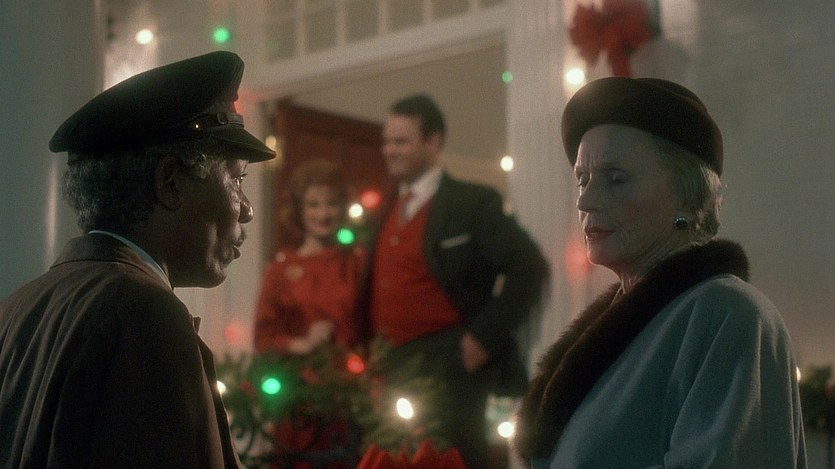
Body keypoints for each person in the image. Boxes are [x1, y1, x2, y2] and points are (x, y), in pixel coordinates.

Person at [513, 77, 807, 468]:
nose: (585, 200)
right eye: (582, 179)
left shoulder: (727, 312)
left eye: (616, 179)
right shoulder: (621, 321)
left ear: (686, 195)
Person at [0, 51, 275, 468]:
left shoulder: (16, 307)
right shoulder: (142, 313)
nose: (247, 208)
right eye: (236, 179)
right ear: (170, 182)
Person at [362, 94, 549, 467]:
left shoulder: (471, 203)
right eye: (386, 141)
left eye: (401, 141)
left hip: (450, 368)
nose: (389, 151)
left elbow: (529, 268)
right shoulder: (382, 209)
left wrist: (479, 341)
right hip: (389, 369)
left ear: (434, 141)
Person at [254, 158, 365, 356]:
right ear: (299, 210)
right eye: (313, 205)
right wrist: (301, 344)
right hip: (295, 371)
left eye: (331, 204)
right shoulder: (282, 267)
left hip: (351, 370)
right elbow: (262, 338)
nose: (323, 214)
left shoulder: (356, 261)